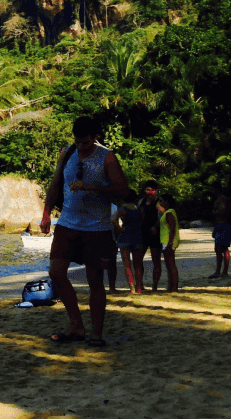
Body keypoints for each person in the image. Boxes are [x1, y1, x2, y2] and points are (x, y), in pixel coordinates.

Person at [40, 115, 130, 348]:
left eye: (86, 143)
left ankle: (96, 334)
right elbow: (56, 182)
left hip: (96, 227)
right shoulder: (68, 153)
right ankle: (76, 325)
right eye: (78, 142)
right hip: (67, 223)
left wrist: (90, 186)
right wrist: (46, 211)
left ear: (95, 138)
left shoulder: (107, 157)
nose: (81, 147)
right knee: (56, 272)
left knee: (95, 280)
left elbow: (123, 189)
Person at [111, 191, 145, 293]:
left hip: (125, 236)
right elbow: (142, 222)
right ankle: (139, 287)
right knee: (138, 264)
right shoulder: (140, 209)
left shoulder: (122, 209)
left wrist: (120, 229)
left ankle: (132, 288)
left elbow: (114, 220)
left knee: (127, 264)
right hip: (138, 236)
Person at [137, 181, 164, 292]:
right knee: (138, 259)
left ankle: (155, 286)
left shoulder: (159, 202)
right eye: (147, 190)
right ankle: (140, 285)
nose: (149, 192)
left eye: (152, 190)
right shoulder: (141, 201)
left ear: (156, 191)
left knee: (156, 260)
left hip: (155, 234)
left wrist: (156, 226)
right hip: (142, 233)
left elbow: (162, 216)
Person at [158, 196, 181, 292]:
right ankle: (171, 286)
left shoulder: (169, 213)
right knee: (169, 265)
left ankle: (174, 287)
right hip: (167, 241)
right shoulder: (169, 212)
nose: (160, 203)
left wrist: (170, 243)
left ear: (166, 202)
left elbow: (172, 229)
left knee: (171, 264)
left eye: (161, 201)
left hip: (168, 241)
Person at [211, 189, 231, 279]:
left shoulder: (221, 199)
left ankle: (220, 271)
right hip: (222, 225)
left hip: (222, 225)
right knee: (222, 249)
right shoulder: (222, 199)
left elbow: (222, 211)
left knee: (220, 249)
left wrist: (214, 212)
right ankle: (222, 271)